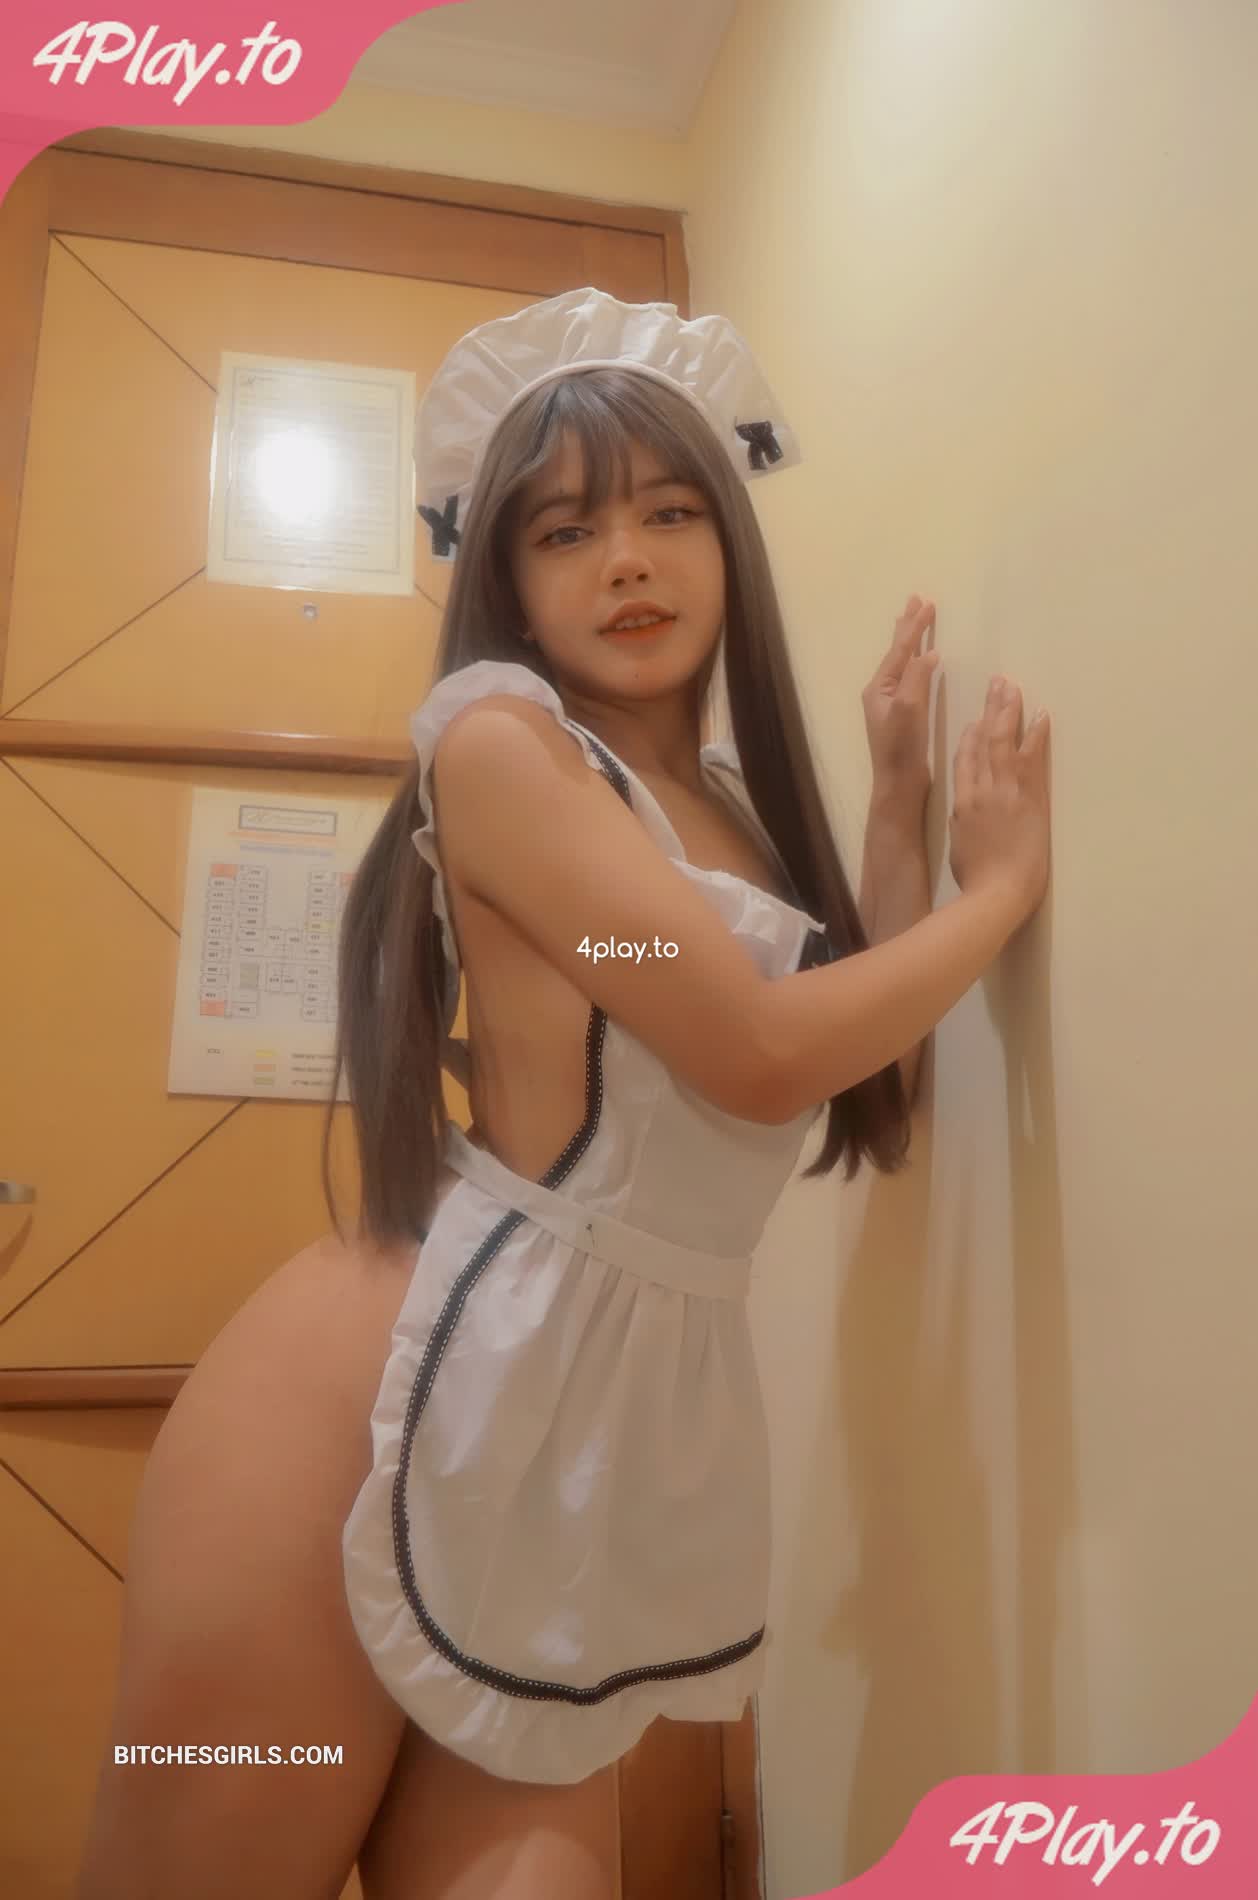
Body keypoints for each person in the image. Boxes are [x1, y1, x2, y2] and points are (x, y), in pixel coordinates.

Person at [79, 289, 1051, 1900]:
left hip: (578, 1422)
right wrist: (997, 896)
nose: (626, 561)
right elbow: (754, 1050)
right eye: (565, 529)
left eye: (670, 512)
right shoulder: (501, 751)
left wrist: (893, 808)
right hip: (371, 1398)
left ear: (729, 538)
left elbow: (853, 1058)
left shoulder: (721, 803)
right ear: (506, 583)